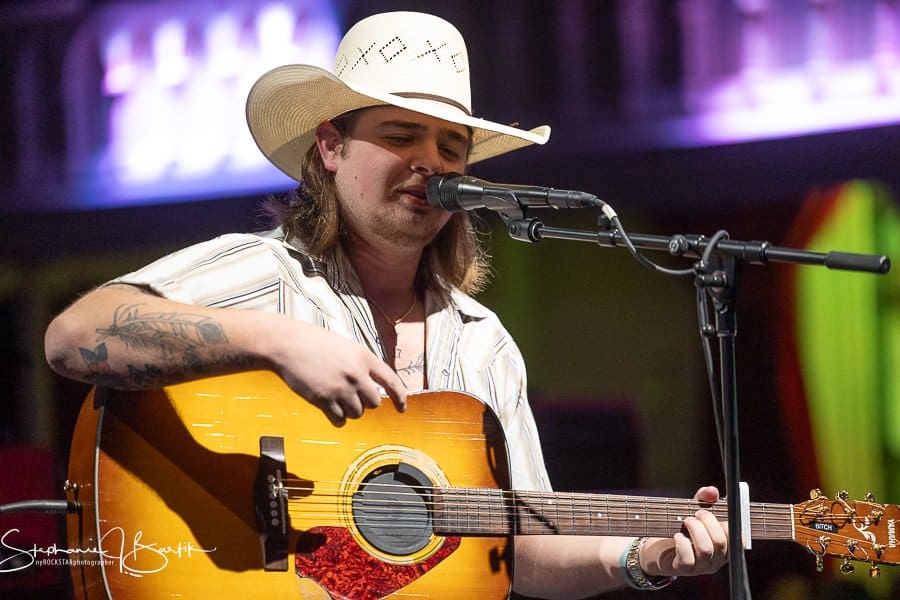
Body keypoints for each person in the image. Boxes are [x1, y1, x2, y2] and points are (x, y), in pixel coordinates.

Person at [44, 11, 728, 598]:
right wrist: (276, 342)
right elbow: (73, 336)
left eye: (451, 146)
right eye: (401, 135)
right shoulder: (263, 274)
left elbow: (522, 546)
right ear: (331, 146)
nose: (431, 161)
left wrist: (644, 556)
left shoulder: (482, 342)